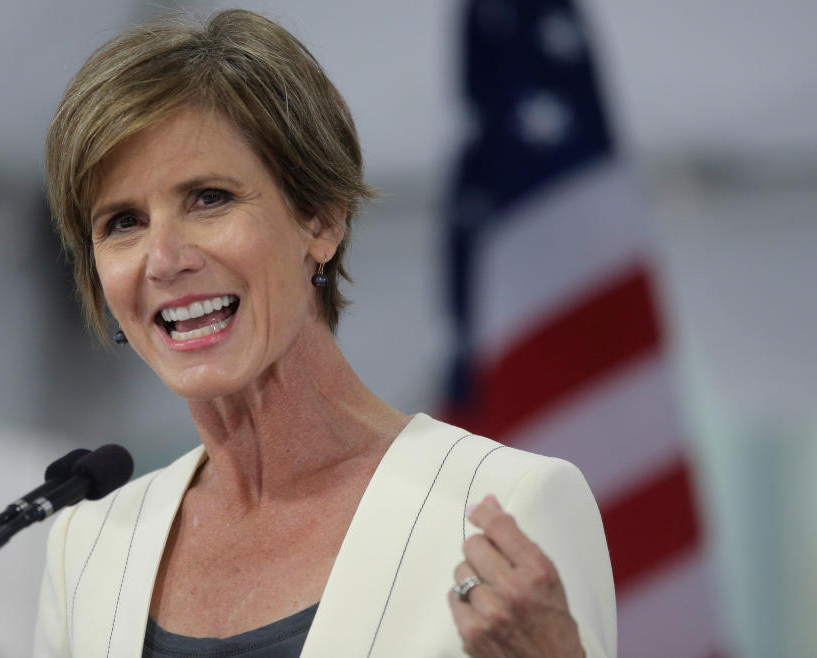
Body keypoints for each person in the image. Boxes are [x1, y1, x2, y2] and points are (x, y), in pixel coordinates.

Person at [33, 9, 616, 658]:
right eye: (122, 223)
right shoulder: (86, 546)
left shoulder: (505, 507)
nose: (164, 259)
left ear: (321, 220)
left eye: (209, 198)